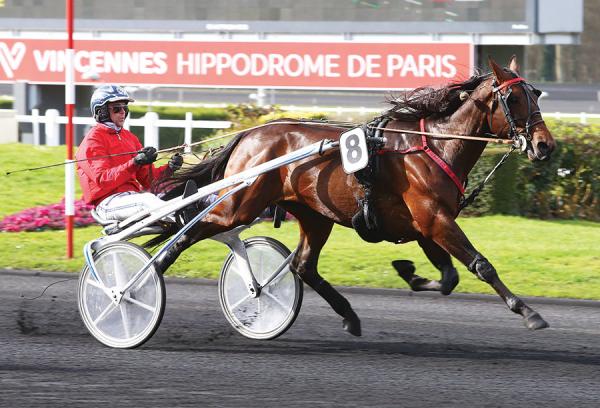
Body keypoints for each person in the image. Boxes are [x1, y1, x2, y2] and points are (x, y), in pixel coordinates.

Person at [76, 85, 183, 222]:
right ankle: (184, 221)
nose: (123, 112)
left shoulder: (130, 138)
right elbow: (103, 180)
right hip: (108, 203)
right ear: (101, 111)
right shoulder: (92, 141)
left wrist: (170, 168)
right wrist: (135, 162)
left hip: (132, 198)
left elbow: (148, 180)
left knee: (174, 195)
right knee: (147, 200)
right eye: (117, 109)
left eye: (125, 108)